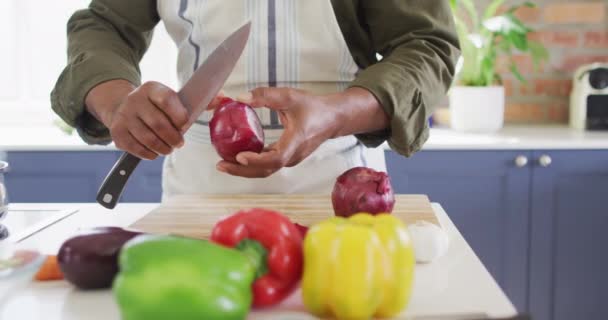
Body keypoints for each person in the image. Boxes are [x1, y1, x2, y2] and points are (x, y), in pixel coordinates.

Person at [51, 0, 460, 198]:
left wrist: (336, 114)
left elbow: (427, 44)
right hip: (199, 189)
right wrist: (117, 101)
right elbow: (104, 25)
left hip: (341, 188)